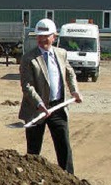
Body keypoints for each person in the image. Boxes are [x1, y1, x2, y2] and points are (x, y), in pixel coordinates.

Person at [19, 18, 82, 174]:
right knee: (33, 150)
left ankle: (69, 179)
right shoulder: (29, 58)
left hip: (57, 107)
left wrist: (74, 90)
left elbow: (70, 73)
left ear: (54, 36)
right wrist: (39, 104)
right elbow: (27, 86)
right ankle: (30, 179)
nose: (42, 39)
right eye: (39, 36)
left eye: (46, 36)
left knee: (63, 147)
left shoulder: (61, 54)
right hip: (36, 109)